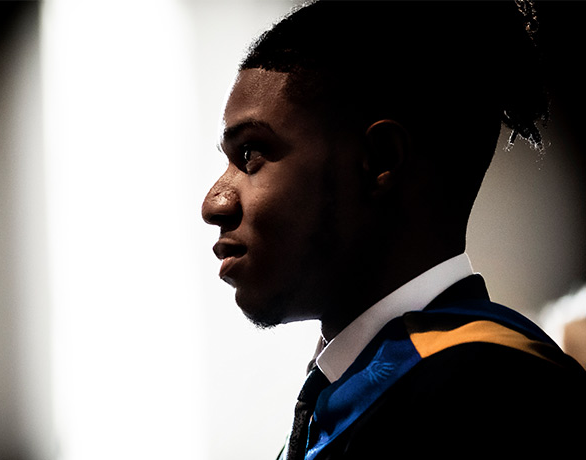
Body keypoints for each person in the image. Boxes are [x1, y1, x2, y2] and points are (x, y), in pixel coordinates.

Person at [201, 1, 586, 458]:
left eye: (251, 154)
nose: (214, 202)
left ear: (380, 160)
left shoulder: (493, 396)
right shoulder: (362, 389)